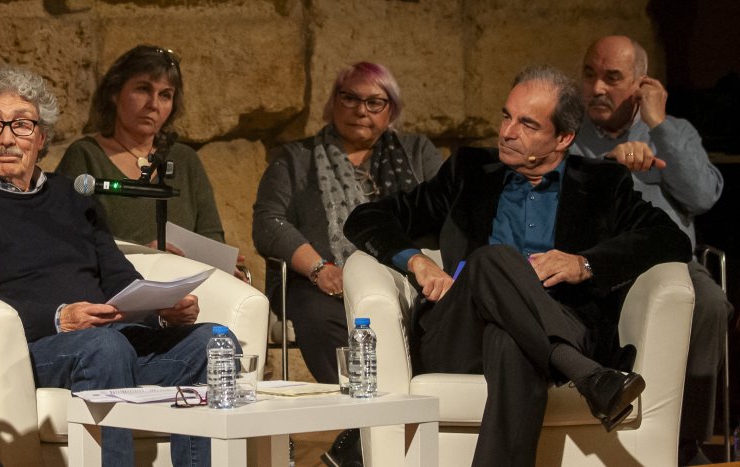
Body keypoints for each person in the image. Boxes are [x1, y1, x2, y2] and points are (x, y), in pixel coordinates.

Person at [344, 65, 690, 467]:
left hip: (562, 320)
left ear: (563, 138)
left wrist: (586, 263)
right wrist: (417, 261)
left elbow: (670, 237)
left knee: (509, 341)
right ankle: (587, 375)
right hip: (458, 332)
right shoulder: (468, 172)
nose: (508, 131)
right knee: (492, 259)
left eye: (527, 124)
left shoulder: (601, 184)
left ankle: (570, 363)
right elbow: (365, 218)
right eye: (507, 116)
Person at [0, 64, 226, 467]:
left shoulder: (73, 195)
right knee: (106, 347)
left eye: (22, 125)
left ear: (42, 137)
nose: (8, 138)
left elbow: (117, 275)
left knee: (214, 342)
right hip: (30, 347)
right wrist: (58, 318)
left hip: (108, 337)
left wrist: (161, 310)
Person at [253, 61, 442, 466]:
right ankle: (369, 421)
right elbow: (269, 224)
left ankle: (361, 439)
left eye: (375, 102)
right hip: (318, 283)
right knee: (316, 315)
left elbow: (445, 214)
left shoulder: (417, 153)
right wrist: (321, 268)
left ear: (391, 110)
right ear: (332, 102)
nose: (361, 110)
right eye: (350, 98)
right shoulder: (297, 158)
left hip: (402, 278)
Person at [570, 35, 728, 466]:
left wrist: (658, 125)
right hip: (600, 262)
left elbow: (702, 196)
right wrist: (608, 170)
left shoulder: (674, 132)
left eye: (612, 77)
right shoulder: (569, 136)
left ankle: (686, 443)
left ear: (641, 84)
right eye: (589, 74)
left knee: (710, 302)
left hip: (671, 263)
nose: (597, 88)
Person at [55, 45, 226, 248]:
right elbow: (65, 240)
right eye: (143, 89)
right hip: (116, 278)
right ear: (115, 93)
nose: (153, 104)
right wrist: (144, 256)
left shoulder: (185, 159)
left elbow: (212, 236)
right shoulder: (85, 156)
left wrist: (225, 264)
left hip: (186, 277)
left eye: (165, 95)